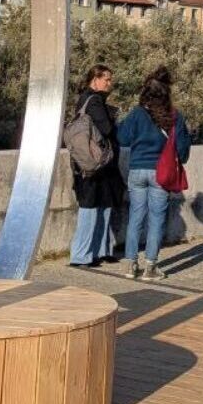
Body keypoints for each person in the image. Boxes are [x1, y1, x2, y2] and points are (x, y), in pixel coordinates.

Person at [117, 66, 191, 281]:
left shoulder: (137, 113)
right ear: (167, 93)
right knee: (156, 219)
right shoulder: (175, 116)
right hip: (160, 173)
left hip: (137, 170)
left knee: (136, 217)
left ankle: (130, 265)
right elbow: (183, 149)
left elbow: (122, 138)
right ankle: (150, 267)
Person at [68, 65, 125, 267]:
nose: (110, 83)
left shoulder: (89, 101)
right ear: (95, 79)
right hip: (94, 165)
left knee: (104, 206)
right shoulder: (93, 102)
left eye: (110, 79)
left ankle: (101, 251)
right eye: (106, 79)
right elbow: (107, 129)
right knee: (90, 207)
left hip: (99, 165)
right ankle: (81, 255)